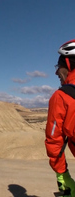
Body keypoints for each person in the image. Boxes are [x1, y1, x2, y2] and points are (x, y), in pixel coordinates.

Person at [45, 39, 75, 197]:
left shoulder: (62, 96)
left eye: (59, 66)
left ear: (69, 64)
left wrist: (62, 174)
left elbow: (54, 139)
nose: (56, 72)